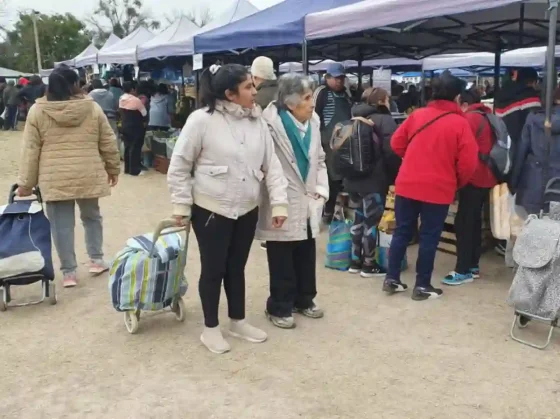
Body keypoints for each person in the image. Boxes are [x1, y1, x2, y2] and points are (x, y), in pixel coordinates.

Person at [167, 64, 288, 354]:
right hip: (211, 208)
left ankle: (238, 320)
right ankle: (210, 328)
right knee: (214, 269)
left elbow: (271, 165)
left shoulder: (258, 122)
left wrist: (279, 202)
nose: (255, 91)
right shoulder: (201, 120)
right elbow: (180, 166)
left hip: (246, 207)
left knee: (237, 267)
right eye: (248, 87)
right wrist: (181, 206)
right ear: (230, 94)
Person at [17, 65, 120, 288]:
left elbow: (30, 150)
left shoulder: (38, 111)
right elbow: (107, 141)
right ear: (75, 84)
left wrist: (26, 184)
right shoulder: (92, 108)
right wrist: (113, 169)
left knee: (61, 226)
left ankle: (69, 272)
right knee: (92, 217)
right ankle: (96, 259)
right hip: (87, 173)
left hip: (55, 178)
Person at [382, 73, 479, 301]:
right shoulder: (460, 123)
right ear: (457, 97)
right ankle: (422, 285)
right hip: (439, 187)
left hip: (407, 183)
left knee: (402, 232)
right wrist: (456, 181)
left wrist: (414, 159)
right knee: (429, 237)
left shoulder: (417, 115)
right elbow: (468, 162)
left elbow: (396, 143)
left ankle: (392, 278)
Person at [257, 73, 329, 329]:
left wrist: (321, 188)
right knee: (281, 255)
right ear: (290, 103)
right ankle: (279, 305)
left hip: (308, 196)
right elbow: (265, 164)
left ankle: (305, 299)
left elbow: (319, 158)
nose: (313, 103)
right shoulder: (269, 125)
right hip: (282, 197)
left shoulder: (314, 122)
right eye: (307, 98)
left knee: (306, 250)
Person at [442, 88, 498, 286]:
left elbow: (460, 150)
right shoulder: (487, 115)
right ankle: (472, 266)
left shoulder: (469, 119)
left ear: (463, 103)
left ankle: (463, 269)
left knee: (464, 223)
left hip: (473, 178)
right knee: (473, 222)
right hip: (488, 177)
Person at [345, 87, 401, 277]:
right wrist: (393, 176)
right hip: (374, 180)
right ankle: (369, 264)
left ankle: (354, 261)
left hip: (353, 179)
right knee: (371, 221)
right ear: (381, 101)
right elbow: (392, 151)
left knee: (358, 218)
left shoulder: (353, 116)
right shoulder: (384, 120)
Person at [494, 68, 541, 256]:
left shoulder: (502, 96)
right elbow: (531, 133)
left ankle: (503, 240)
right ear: (532, 82)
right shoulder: (531, 99)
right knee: (521, 204)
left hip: (502, 151)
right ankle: (514, 243)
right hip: (522, 154)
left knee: (507, 199)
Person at [510, 86, 560, 216]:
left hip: (533, 185)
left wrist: (513, 183)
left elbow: (521, 152)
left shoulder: (533, 118)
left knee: (533, 227)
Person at [314, 62, 353, 223]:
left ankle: (342, 210)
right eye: (336, 78)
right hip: (327, 144)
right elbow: (313, 117)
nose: (339, 82)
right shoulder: (321, 92)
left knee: (344, 176)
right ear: (327, 77)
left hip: (347, 142)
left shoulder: (346, 94)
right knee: (331, 177)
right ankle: (328, 211)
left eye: (341, 78)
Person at [119, 81, 147, 176]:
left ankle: (127, 169)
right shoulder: (136, 100)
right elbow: (144, 113)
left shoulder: (121, 99)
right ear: (132, 89)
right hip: (135, 126)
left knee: (127, 147)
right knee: (135, 148)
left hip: (125, 125)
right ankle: (134, 170)